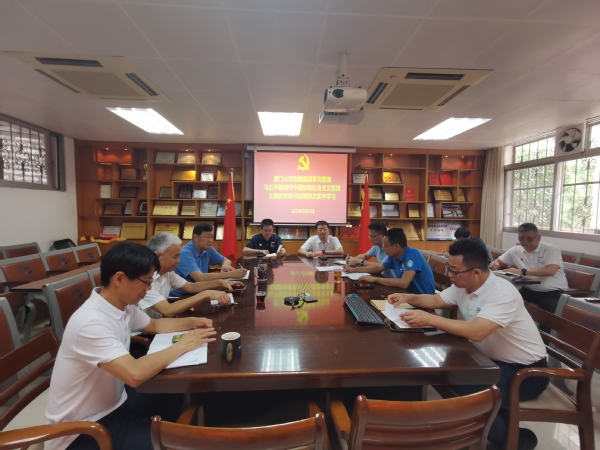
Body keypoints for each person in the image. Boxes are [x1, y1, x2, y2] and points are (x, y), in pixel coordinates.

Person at [45, 242, 217, 450]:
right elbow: (134, 373)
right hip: (84, 430)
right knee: (178, 440)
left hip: (116, 403)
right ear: (119, 278)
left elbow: (155, 325)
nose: (149, 288)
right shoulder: (91, 323)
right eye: (146, 282)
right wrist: (184, 344)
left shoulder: (121, 306)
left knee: (175, 394)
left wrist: (193, 322)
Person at [390, 239, 548, 450]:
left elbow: (477, 332)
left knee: (468, 396)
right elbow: (436, 301)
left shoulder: (501, 293)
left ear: (475, 272)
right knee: (447, 377)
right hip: (489, 361)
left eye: (454, 271)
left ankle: (517, 441)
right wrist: (407, 297)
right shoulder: (463, 285)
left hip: (526, 372)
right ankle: (465, 432)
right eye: (449, 268)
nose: (450, 275)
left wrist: (430, 319)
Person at [138, 232, 242, 319]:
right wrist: (206, 294)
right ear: (158, 257)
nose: (178, 261)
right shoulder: (144, 279)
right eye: (175, 257)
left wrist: (220, 283)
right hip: (144, 333)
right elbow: (168, 310)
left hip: (158, 323)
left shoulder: (167, 272)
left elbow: (190, 287)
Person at [490, 222, 568, 315]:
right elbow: (499, 262)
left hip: (553, 291)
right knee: (505, 299)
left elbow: (551, 270)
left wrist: (521, 272)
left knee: (548, 307)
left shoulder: (551, 249)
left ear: (538, 238)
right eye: (521, 239)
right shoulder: (515, 250)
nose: (525, 242)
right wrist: (495, 264)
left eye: (529, 239)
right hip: (529, 289)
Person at [350, 228, 435, 294]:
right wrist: (354, 270)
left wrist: (375, 279)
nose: (384, 249)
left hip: (422, 300)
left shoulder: (412, 254)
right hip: (405, 295)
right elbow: (378, 268)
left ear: (396, 246)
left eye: (385, 246)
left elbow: (403, 283)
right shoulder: (393, 256)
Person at [173, 223, 246, 296]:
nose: (210, 240)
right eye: (207, 237)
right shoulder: (185, 253)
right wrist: (230, 274)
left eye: (212, 237)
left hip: (200, 290)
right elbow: (200, 278)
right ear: (195, 237)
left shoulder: (208, 249)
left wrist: (225, 265)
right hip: (182, 295)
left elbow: (226, 260)